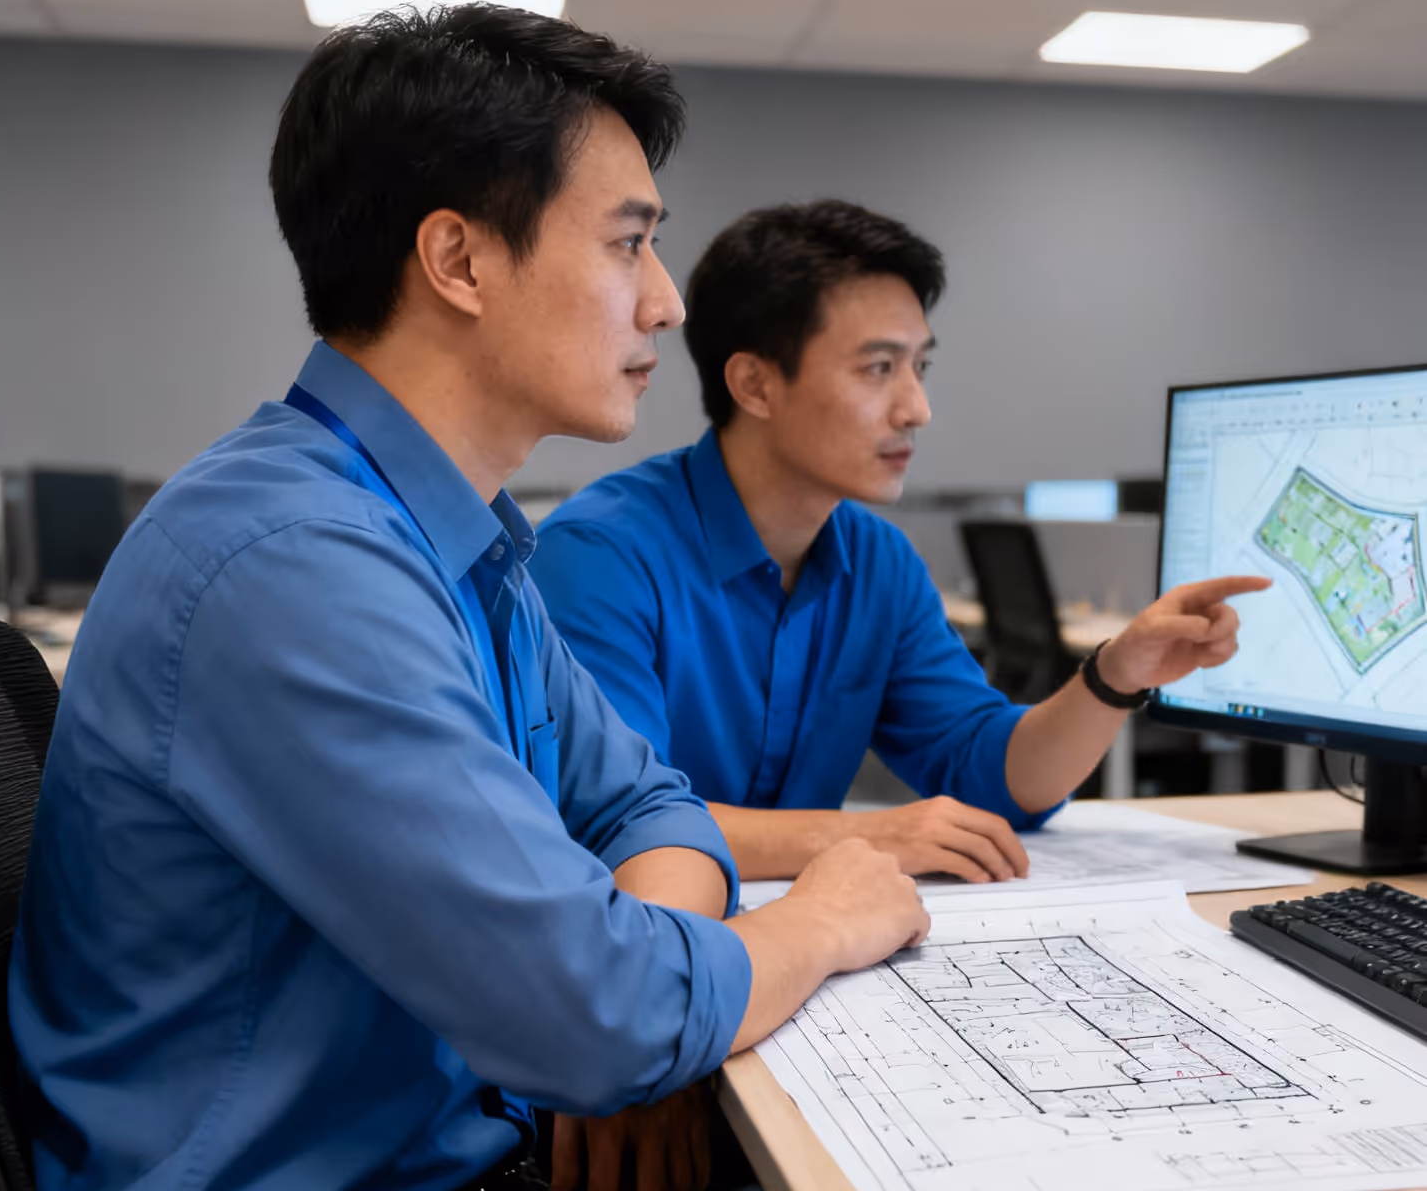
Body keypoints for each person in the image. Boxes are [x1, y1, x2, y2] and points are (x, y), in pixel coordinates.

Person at [9, 10, 931, 1191]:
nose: (669, 300)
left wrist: (648, 977)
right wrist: (821, 917)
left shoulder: (455, 540)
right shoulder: (292, 563)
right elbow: (595, 1011)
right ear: (458, 260)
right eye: (628, 241)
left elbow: (647, 809)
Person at [530, 199, 1269, 883]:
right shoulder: (601, 558)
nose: (916, 408)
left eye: (920, 367)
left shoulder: (878, 563)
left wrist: (1116, 675)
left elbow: (994, 775)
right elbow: (615, 823)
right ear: (755, 386)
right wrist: (863, 838)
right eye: (878, 368)